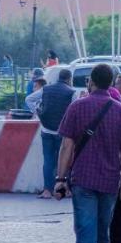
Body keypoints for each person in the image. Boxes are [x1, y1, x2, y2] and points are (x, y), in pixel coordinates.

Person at [55, 63, 121, 243]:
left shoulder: (77, 107)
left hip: (84, 180)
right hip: (110, 181)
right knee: (102, 235)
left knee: (85, 237)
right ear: (111, 83)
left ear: (91, 81)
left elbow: (67, 146)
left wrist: (59, 179)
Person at [36, 67, 75, 198]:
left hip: (46, 130)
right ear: (69, 79)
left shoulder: (46, 88)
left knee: (48, 161)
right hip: (62, 132)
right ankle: (65, 190)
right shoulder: (71, 92)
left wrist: (39, 113)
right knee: (64, 159)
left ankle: (47, 190)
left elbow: (29, 99)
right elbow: (73, 111)